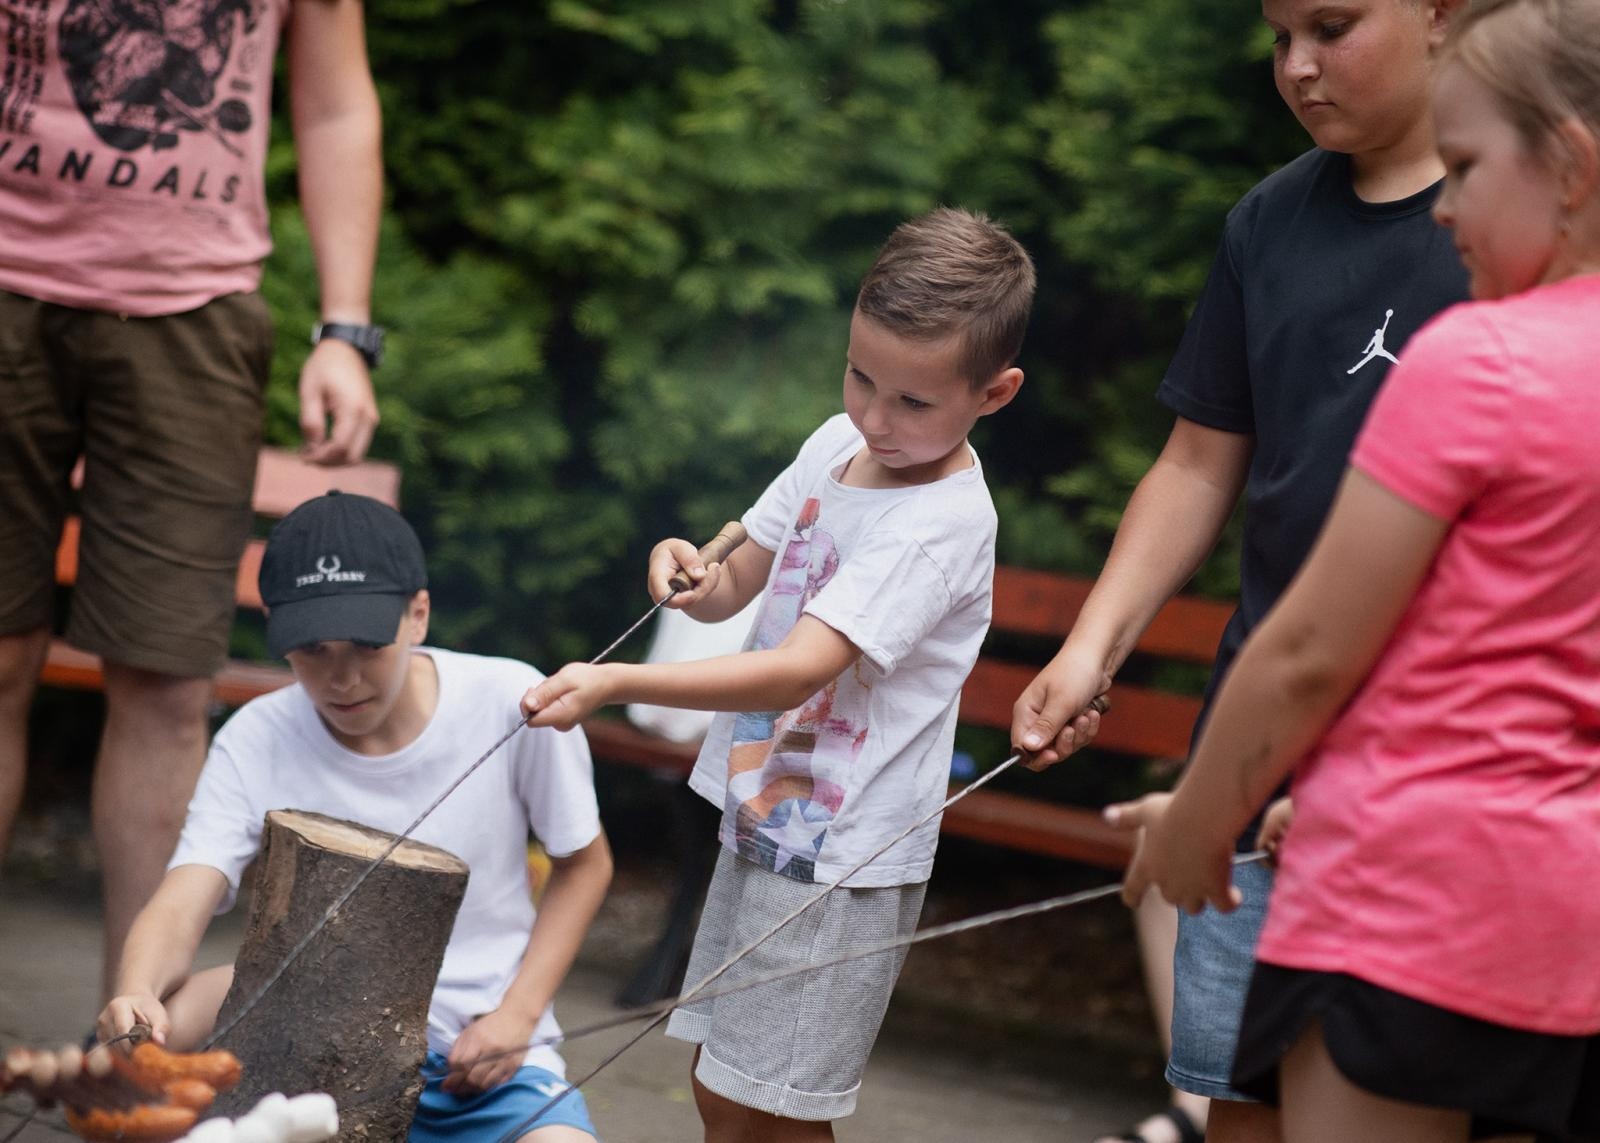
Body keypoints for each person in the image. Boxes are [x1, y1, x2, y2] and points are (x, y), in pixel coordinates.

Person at [1108, 1, 1600, 1138]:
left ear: (1569, 166)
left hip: (1396, 896)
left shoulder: (1473, 358)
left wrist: (1207, 814)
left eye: (1466, 169)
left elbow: (1310, 650)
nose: (1445, 205)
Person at [1008, 2, 1471, 1141]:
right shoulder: (1269, 220)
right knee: (1239, 1111)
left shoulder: (1516, 225)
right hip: (1256, 753)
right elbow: (1196, 462)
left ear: (1440, 12)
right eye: (1277, 37)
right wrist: (1091, 646)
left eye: (1332, 25)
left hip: (1434, 781)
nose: (1298, 66)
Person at [522, 207, 1034, 1142]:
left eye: (913, 402)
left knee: (776, 1106)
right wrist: (687, 569)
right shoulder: (835, 445)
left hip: (843, 855)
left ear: (994, 393)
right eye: (860, 376)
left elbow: (796, 670)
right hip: (766, 810)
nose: (875, 417)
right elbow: (733, 586)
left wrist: (613, 683)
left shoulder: (941, 525)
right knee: (721, 1084)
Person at [0, 0, 384, 1002]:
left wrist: (346, 330)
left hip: (191, 313)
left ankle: (135, 1038)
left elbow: (337, 104)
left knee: (166, 683)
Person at [96, 492, 613, 1143]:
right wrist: (135, 987)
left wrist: (518, 1014)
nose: (341, 677)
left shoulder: (513, 702)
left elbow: (584, 864)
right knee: (162, 1036)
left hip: (479, 1059)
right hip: (299, 1047)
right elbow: (184, 893)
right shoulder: (257, 735)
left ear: (417, 615)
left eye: (367, 645)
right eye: (312, 648)